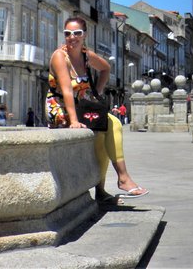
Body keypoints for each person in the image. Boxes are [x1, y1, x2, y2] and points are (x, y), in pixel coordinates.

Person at [48, 17, 148, 203]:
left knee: (112, 125)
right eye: (68, 33)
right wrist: (74, 120)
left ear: (85, 35)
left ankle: (111, 184)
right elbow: (67, 90)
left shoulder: (86, 56)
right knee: (101, 131)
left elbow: (106, 68)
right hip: (62, 109)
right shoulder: (60, 57)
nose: (72, 37)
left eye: (77, 33)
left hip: (82, 108)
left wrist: (97, 93)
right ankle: (116, 182)